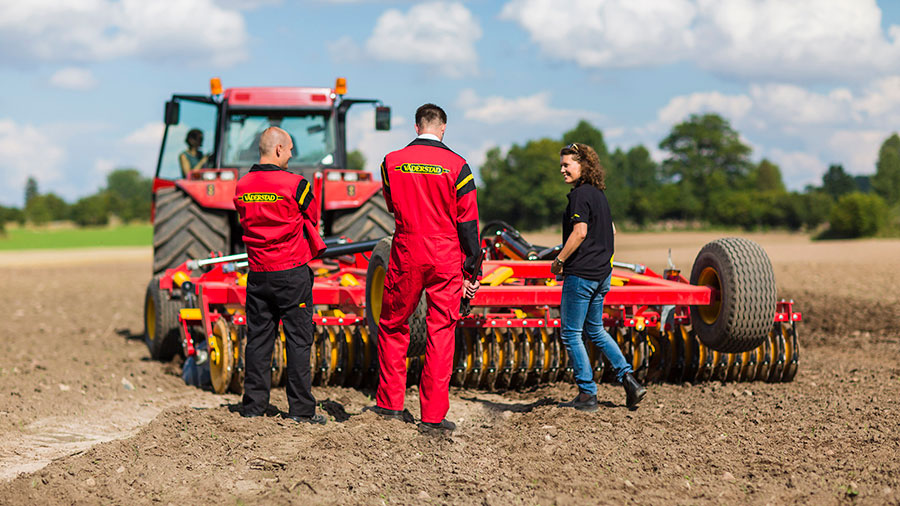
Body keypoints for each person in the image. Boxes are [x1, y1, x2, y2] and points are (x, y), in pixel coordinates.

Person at [370, 103, 480, 434]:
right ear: (443, 128)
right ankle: (432, 416)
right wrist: (471, 270)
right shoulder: (459, 166)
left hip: (407, 250)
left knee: (393, 323)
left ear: (417, 126)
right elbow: (468, 222)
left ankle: (390, 405)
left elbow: (393, 206)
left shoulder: (390, 162)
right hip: (445, 255)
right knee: (441, 331)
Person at [233, 127, 327, 425]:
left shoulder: (241, 186)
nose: (291, 154)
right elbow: (313, 217)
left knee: (258, 340)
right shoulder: (297, 184)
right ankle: (301, 411)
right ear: (278, 150)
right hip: (291, 273)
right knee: (298, 341)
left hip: (257, 274)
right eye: (289, 149)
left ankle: (253, 407)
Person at [550, 142, 646, 411]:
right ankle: (629, 380)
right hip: (602, 275)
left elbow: (580, 232)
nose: (562, 170)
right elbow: (611, 231)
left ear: (583, 165)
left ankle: (586, 394)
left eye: (567, 164)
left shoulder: (579, 195)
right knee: (595, 330)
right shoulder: (599, 195)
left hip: (581, 275)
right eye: (561, 165)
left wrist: (559, 261)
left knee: (571, 334)